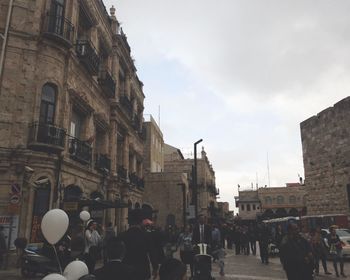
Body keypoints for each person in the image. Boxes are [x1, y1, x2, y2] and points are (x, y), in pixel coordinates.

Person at [120, 209, 158, 280]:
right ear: (141, 222)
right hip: (142, 270)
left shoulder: (122, 235)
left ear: (129, 222)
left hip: (126, 269)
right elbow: (152, 253)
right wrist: (155, 268)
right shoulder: (146, 236)